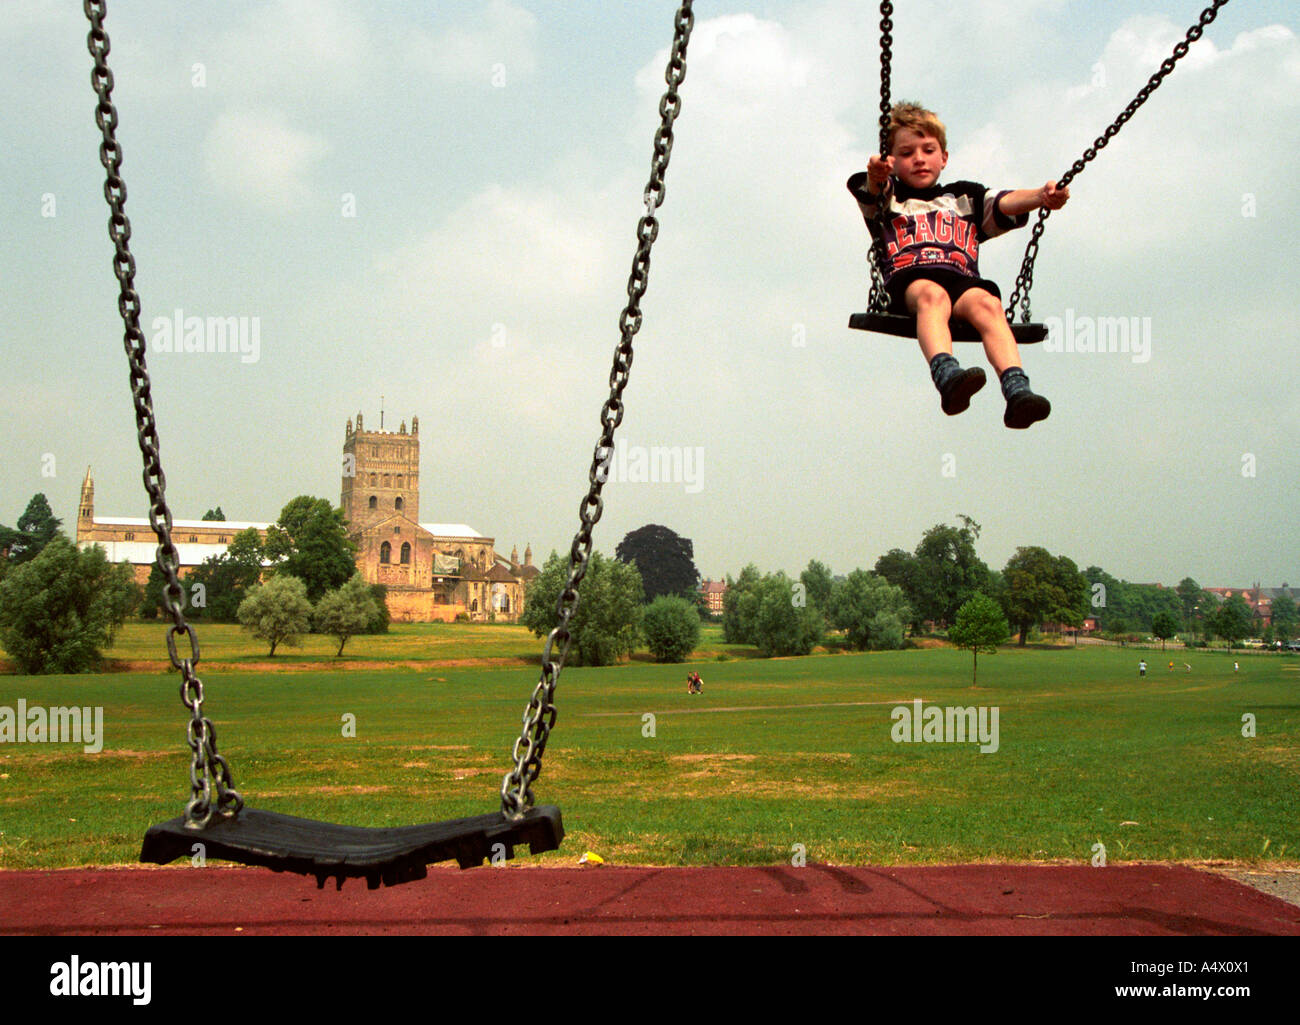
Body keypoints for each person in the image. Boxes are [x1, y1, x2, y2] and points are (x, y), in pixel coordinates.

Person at [847, 102, 1070, 428]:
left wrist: (1041, 195)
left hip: (962, 281)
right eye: (906, 153)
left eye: (928, 150)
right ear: (892, 163)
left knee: (988, 304)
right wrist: (875, 173)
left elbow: (1006, 200)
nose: (919, 158)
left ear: (944, 157)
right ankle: (947, 373)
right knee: (932, 296)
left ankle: (1017, 389)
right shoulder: (890, 198)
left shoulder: (964, 197)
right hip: (911, 281)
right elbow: (872, 188)